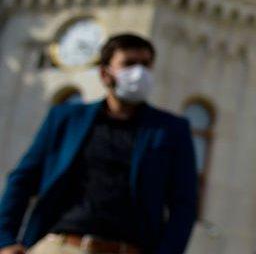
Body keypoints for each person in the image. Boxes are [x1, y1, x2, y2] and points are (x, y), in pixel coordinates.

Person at [0, 34, 198, 254]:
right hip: (62, 244)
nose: (139, 72)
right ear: (105, 74)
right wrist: (5, 239)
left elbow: (184, 204)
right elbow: (23, 179)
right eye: (129, 64)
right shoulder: (67, 119)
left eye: (146, 64)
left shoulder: (170, 130)